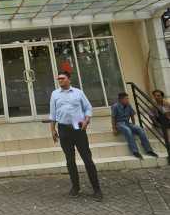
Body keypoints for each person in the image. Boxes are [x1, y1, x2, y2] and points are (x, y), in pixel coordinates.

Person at [50, 71, 103, 200]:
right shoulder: (55, 94)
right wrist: (52, 130)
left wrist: (86, 120)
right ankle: (75, 187)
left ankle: (97, 190)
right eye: (58, 79)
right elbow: (53, 113)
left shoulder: (78, 93)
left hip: (78, 128)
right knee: (70, 160)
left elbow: (88, 108)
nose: (60, 80)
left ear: (69, 79)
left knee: (87, 159)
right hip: (63, 129)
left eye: (62, 78)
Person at [111, 92, 158, 159]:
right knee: (128, 130)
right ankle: (135, 151)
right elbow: (113, 118)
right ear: (121, 99)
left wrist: (133, 125)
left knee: (140, 129)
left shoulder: (128, 105)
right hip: (119, 123)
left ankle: (149, 150)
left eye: (128, 98)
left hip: (127, 122)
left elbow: (132, 115)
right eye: (126, 99)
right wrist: (114, 128)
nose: (128, 100)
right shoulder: (115, 106)